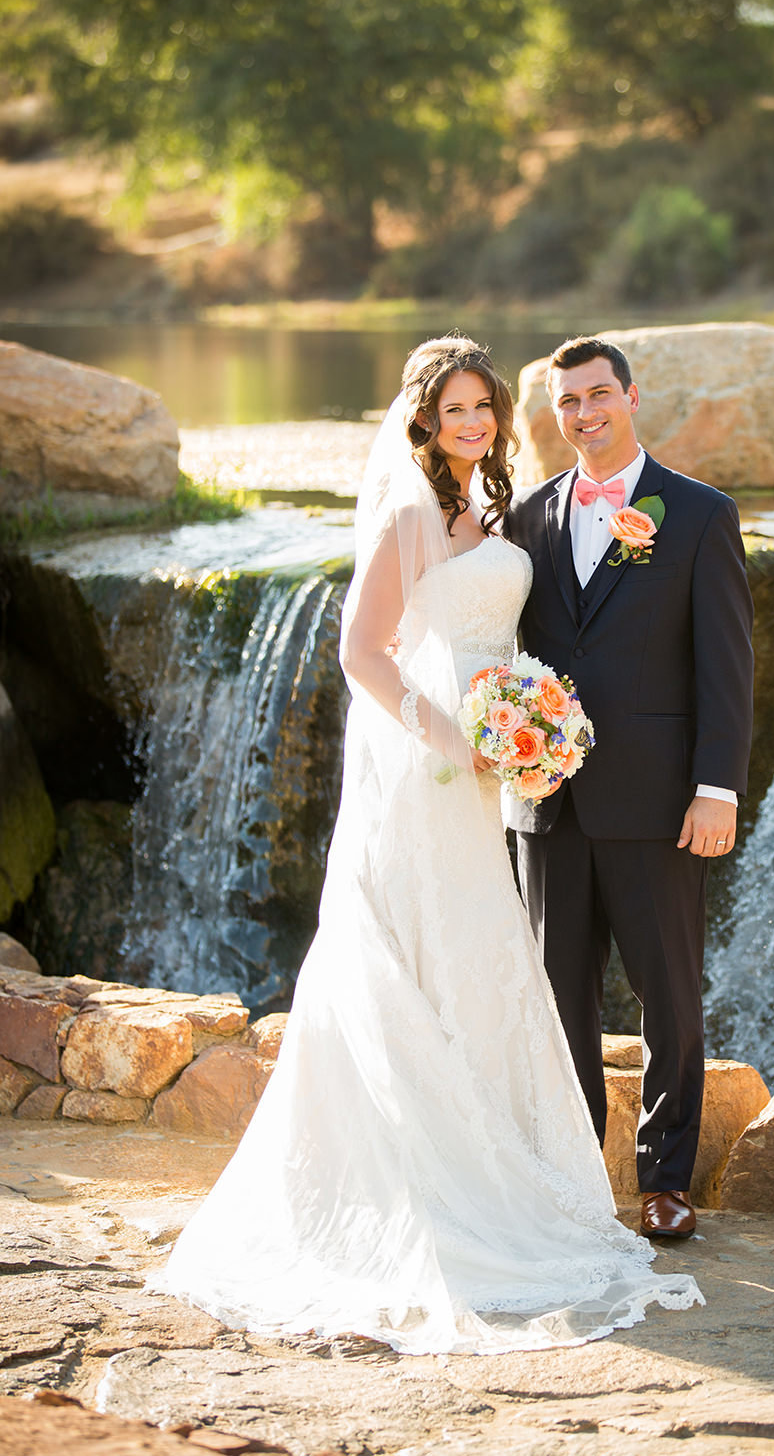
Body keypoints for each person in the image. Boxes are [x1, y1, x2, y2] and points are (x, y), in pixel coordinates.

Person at [152, 336, 703, 1356]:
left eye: (484, 407)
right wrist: (446, 731)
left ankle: (512, 1173)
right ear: (423, 416)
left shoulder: (504, 508)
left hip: (500, 760)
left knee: (484, 953)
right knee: (432, 946)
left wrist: (528, 725)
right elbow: (362, 650)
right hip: (434, 762)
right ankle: (422, 1186)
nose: (472, 423)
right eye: (454, 410)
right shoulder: (409, 506)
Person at [505, 336, 754, 1244]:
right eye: (568, 402)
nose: (584, 414)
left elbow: (726, 668)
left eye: (598, 395)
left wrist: (716, 786)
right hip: (547, 803)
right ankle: (573, 1180)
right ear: (555, 415)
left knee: (669, 996)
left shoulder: (696, 514)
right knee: (557, 999)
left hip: (657, 803)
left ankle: (665, 1180)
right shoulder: (526, 520)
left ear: (632, 397)